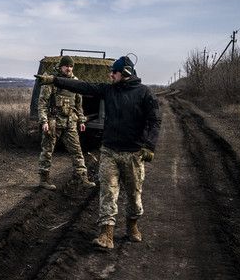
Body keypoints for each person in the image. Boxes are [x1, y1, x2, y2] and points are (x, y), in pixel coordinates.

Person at [35, 55, 161, 249]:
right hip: (109, 151)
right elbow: (83, 87)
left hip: (133, 154)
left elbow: (154, 121)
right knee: (107, 192)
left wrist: (149, 145)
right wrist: (54, 80)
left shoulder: (145, 94)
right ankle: (106, 234)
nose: (110, 75)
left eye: (114, 72)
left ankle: (132, 226)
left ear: (125, 73)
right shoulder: (109, 90)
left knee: (134, 196)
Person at [37, 56, 96, 190]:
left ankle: (82, 178)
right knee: (47, 151)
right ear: (61, 66)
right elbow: (42, 103)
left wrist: (81, 119)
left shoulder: (75, 82)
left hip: (70, 122)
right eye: (66, 66)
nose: (69, 69)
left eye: (71, 66)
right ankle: (44, 179)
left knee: (77, 151)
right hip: (53, 122)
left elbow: (78, 104)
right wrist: (44, 121)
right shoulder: (51, 80)